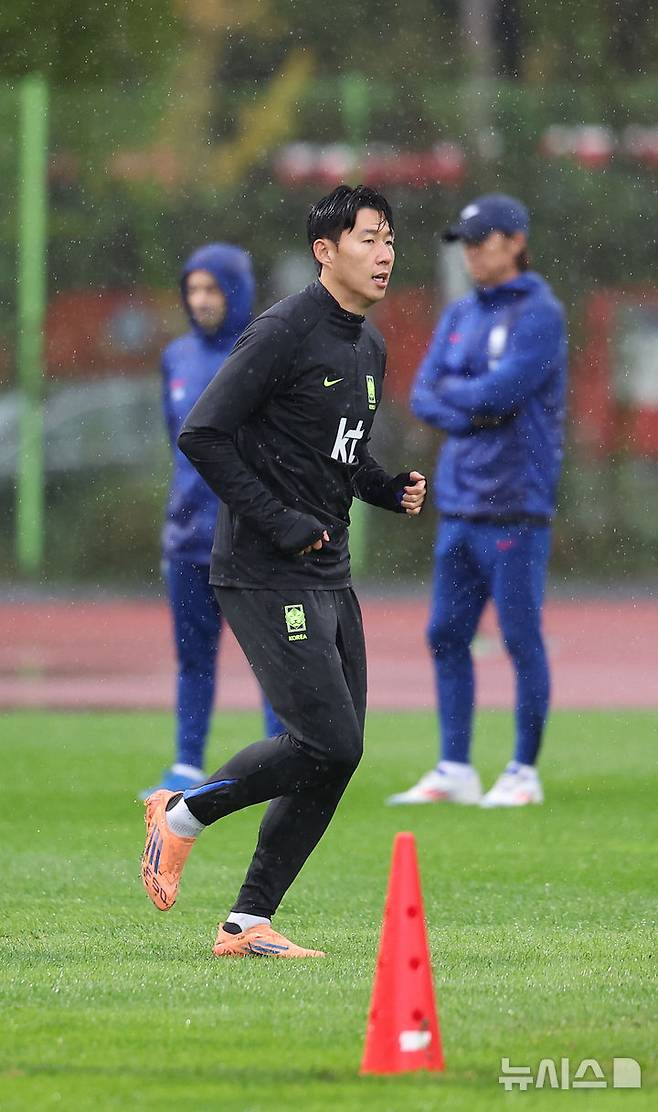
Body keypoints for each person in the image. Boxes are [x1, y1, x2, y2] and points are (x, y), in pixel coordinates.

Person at [140, 184, 426, 957]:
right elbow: (203, 434)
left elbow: (335, 453)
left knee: (340, 752)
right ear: (324, 252)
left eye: (390, 239)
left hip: (327, 569)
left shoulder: (368, 346)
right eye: (368, 239)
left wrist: (383, 487)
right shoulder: (281, 330)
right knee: (325, 740)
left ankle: (247, 922)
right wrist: (280, 521)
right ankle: (181, 815)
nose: (384, 254)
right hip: (262, 568)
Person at [387, 193, 567, 809]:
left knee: (519, 637)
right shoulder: (460, 312)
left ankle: (522, 771)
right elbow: (423, 393)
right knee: (445, 633)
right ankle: (455, 767)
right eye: (464, 243)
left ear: (515, 242)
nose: (471, 254)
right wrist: (473, 408)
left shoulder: (540, 314)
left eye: (481, 241)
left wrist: (466, 399)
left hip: (516, 503)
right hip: (460, 502)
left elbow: (499, 395)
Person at [141, 243, 283, 799]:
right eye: (192, 289)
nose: (201, 300)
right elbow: (177, 441)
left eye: (212, 289)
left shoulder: (263, 351)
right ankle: (186, 764)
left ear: (236, 291)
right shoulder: (176, 357)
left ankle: (282, 761)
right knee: (193, 657)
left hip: (250, 537)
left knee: (272, 658)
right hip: (188, 539)